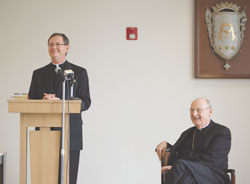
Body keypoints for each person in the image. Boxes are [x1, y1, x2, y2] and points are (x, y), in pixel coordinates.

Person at [28, 33, 91, 184]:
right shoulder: (38, 74)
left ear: (66, 48)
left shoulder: (79, 72)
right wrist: (44, 101)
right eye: (50, 44)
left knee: (69, 178)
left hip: (71, 132)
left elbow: (86, 102)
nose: (54, 47)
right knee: (44, 177)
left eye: (58, 44)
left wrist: (61, 102)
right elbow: (32, 101)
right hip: (45, 131)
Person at [155, 97, 231, 184]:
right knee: (184, 180)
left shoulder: (221, 131)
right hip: (190, 175)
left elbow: (212, 160)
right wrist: (165, 144)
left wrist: (180, 166)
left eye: (198, 110)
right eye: (192, 110)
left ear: (210, 111)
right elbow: (176, 152)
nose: (194, 114)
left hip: (214, 175)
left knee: (179, 165)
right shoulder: (187, 133)